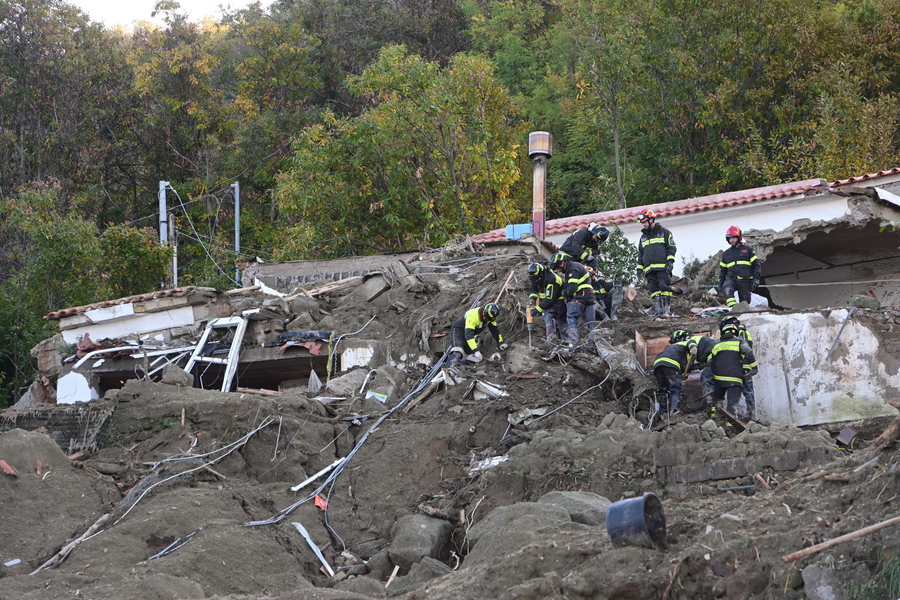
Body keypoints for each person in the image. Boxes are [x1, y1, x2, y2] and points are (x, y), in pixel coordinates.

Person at [709, 320, 758, 421]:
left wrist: (715, 376)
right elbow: (748, 352)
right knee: (732, 404)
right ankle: (731, 425)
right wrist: (754, 367)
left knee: (717, 400)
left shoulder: (717, 345)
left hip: (719, 379)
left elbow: (711, 364)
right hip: (735, 378)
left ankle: (714, 421)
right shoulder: (740, 341)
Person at [636, 209, 677, 317]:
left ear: (651, 220)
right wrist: (639, 268)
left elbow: (671, 248)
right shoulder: (643, 237)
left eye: (645, 222)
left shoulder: (664, 232)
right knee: (653, 289)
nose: (643, 224)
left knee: (664, 287)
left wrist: (670, 262)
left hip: (662, 267)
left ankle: (666, 311)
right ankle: (658, 311)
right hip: (649, 270)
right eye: (642, 223)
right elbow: (641, 254)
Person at [549, 252, 596, 344]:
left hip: (581, 296)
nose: (558, 270)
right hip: (590, 296)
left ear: (562, 263)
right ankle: (593, 342)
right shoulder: (576, 266)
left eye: (557, 267)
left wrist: (565, 294)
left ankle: (575, 342)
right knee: (590, 322)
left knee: (571, 316)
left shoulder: (572, 269)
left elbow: (572, 288)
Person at [653, 330, 697, 415]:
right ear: (682, 338)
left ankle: (663, 413)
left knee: (663, 390)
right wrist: (693, 347)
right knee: (676, 389)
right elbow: (691, 343)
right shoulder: (685, 343)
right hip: (671, 365)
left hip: (658, 364)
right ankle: (674, 412)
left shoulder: (668, 348)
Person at [720, 315, 756, 418]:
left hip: (739, 367)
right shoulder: (745, 332)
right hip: (744, 367)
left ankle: (739, 414)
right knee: (747, 391)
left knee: (737, 391)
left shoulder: (738, 334)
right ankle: (749, 413)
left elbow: (741, 350)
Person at [718, 225, 761, 307]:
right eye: (729, 238)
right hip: (731, 279)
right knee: (727, 289)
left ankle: (741, 314)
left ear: (739, 237)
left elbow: (756, 266)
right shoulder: (726, 253)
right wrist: (721, 283)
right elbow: (723, 270)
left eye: (733, 237)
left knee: (745, 303)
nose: (731, 240)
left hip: (745, 281)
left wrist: (756, 279)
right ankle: (733, 308)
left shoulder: (748, 250)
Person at [527, 262, 567, 342]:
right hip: (550, 300)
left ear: (541, 274)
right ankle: (563, 339)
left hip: (560, 300)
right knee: (558, 319)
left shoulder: (551, 279)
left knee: (550, 315)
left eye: (536, 278)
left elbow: (550, 299)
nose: (535, 280)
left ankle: (553, 339)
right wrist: (532, 298)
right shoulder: (537, 278)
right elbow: (533, 287)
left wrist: (537, 310)